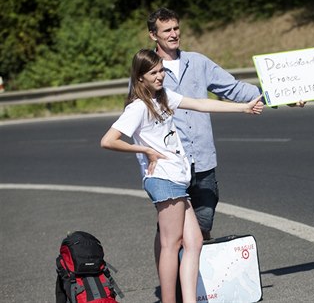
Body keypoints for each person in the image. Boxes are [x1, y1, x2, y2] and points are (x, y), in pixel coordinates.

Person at [101, 49, 264, 303]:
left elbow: (200, 104)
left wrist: (243, 108)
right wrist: (145, 149)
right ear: (140, 78)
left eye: (161, 70)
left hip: (177, 178)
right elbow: (108, 140)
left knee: (194, 241)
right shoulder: (138, 106)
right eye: (153, 73)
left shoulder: (162, 97)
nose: (160, 76)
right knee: (171, 244)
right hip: (163, 180)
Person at [146, 7, 304, 243]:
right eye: (166, 30)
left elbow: (234, 88)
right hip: (169, 164)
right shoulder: (148, 69)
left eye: (176, 28)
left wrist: (280, 97)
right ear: (153, 35)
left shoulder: (197, 62)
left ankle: (196, 279)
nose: (173, 34)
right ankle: (172, 280)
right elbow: (139, 114)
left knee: (203, 225)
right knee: (170, 232)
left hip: (202, 160)